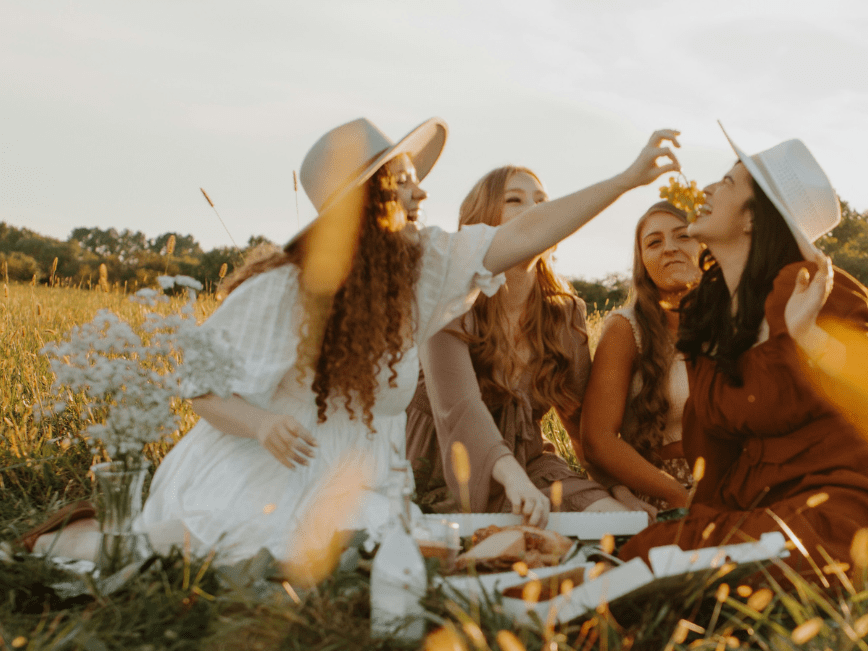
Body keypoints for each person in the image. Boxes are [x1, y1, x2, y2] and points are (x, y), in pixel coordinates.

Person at [24, 118, 680, 562]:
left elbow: (519, 238)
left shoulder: (420, 268)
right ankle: (81, 539)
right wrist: (259, 426)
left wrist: (625, 180)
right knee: (196, 553)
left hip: (358, 477)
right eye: (403, 180)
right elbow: (201, 385)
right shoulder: (283, 289)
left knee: (395, 556)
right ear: (367, 200)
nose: (421, 190)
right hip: (262, 468)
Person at [615, 125, 868, 615]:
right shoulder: (706, 313)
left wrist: (811, 337)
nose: (705, 190)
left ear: (753, 219)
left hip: (847, 499)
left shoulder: (810, 286)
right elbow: (716, 452)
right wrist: (705, 523)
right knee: (655, 552)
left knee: (776, 563)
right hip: (766, 507)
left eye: (726, 183)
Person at [405, 166, 630, 526]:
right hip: (444, 470)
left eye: (542, 201)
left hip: (530, 465)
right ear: (481, 222)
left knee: (615, 521)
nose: (536, 210)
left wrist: (618, 489)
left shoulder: (565, 312)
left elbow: (581, 429)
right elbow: (460, 410)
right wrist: (514, 481)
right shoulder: (450, 298)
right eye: (515, 200)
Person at [581, 201, 702, 517]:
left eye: (683, 236)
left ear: (706, 244)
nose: (670, 249)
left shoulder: (738, 321)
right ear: (643, 262)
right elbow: (598, 438)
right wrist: (677, 496)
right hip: (662, 491)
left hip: (737, 482)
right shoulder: (626, 328)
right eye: (654, 242)